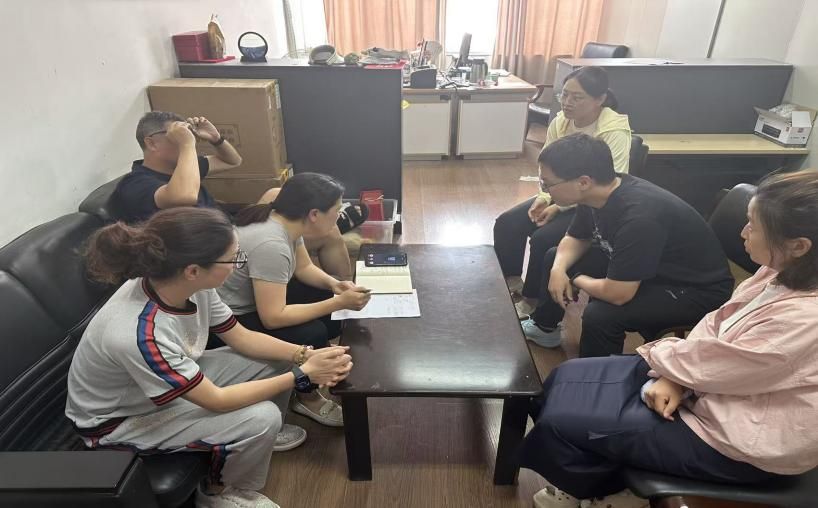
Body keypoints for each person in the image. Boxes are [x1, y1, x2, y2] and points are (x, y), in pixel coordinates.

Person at [520, 168, 818, 508]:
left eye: (753, 226)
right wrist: (676, 378)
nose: (743, 232)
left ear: (798, 246)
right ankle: (602, 482)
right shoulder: (780, 270)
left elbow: (726, 366)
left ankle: (600, 489)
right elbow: (716, 322)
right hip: (710, 383)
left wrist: (673, 372)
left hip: (736, 440)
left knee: (562, 422)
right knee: (562, 378)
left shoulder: (805, 318)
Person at [65, 207, 353, 508]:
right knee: (261, 417)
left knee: (280, 357)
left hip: (160, 387)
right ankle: (219, 493)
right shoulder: (139, 333)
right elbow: (217, 400)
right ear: (193, 269)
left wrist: (303, 355)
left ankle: (262, 437)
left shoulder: (188, 285)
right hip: (119, 421)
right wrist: (302, 374)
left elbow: (242, 337)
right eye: (233, 259)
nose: (238, 264)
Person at [522, 133, 733, 357]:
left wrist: (574, 277)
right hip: (649, 268)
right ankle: (544, 329)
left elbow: (618, 294)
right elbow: (576, 237)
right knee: (556, 256)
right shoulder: (594, 194)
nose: (545, 189)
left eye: (548, 184)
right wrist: (558, 270)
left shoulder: (639, 217)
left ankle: (598, 374)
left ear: (583, 182)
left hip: (694, 290)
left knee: (600, 315)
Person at [113, 110, 363, 280]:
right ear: (151, 143)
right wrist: (187, 144)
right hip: (213, 248)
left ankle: (319, 221)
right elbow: (185, 196)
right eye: (176, 137)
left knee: (276, 192)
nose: (187, 140)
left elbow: (232, 160)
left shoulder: (184, 167)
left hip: (228, 227)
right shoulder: (137, 183)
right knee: (329, 233)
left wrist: (216, 139)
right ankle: (344, 284)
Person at [216, 172, 371, 427]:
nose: (338, 216)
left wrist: (334, 286)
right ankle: (307, 397)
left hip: (255, 299)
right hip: (231, 317)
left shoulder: (287, 221)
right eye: (336, 210)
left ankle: (317, 359)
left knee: (325, 298)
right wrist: (338, 302)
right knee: (312, 332)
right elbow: (273, 318)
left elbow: (304, 268)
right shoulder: (271, 244)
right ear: (314, 214)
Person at [494, 67, 632, 319]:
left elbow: (609, 182)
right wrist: (544, 197)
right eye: (564, 95)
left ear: (600, 99)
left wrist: (557, 207)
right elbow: (547, 166)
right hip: (559, 193)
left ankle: (532, 299)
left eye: (577, 97)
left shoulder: (613, 130)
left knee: (543, 239)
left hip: (591, 205)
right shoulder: (561, 122)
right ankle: (511, 283)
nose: (567, 102)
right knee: (507, 223)